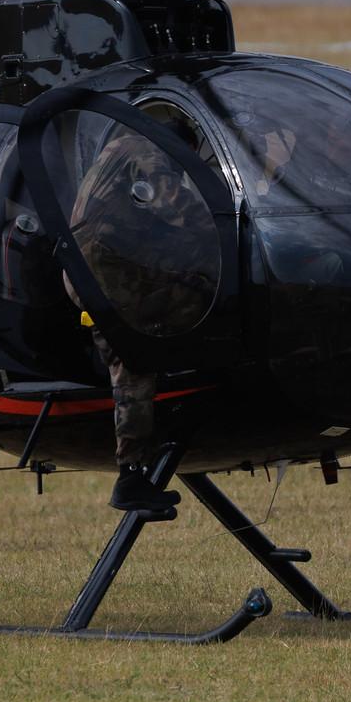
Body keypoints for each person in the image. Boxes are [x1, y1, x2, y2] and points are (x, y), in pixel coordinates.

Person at [66, 115, 219, 513]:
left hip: (95, 266)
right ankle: (132, 472)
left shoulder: (120, 149)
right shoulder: (146, 147)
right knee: (144, 348)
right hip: (108, 268)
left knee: (132, 355)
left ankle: (134, 468)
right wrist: (220, 223)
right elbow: (173, 201)